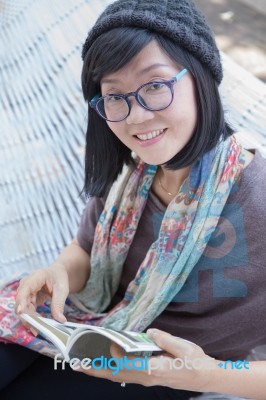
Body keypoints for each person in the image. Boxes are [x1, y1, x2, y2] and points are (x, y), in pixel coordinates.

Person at [0, 0, 265, 399]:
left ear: (201, 77)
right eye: (114, 97)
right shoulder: (133, 175)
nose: (135, 117)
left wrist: (203, 375)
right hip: (88, 326)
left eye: (155, 86)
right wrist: (59, 274)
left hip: (163, 370)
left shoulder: (257, 198)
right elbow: (85, 250)